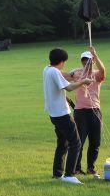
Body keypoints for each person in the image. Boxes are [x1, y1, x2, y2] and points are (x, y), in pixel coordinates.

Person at [43, 47, 93, 184]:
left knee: (62, 143)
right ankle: (69, 175)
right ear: (62, 61)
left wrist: (75, 77)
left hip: (53, 114)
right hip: (61, 114)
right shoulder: (54, 72)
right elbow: (69, 88)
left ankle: (57, 173)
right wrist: (83, 81)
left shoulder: (47, 69)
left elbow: (63, 80)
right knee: (75, 143)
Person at [69, 46, 106, 178]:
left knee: (95, 142)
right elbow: (66, 78)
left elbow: (103, 70)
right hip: (80, 112)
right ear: (81, 61)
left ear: (93, 61)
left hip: (95, 111)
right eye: (84, 60)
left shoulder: (96, 75)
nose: (87, 62)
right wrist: (75, 71)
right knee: (79, 141)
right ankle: (76, 168)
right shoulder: (77, 74)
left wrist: (95, 55)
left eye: (89, 60)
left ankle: (91, 168)